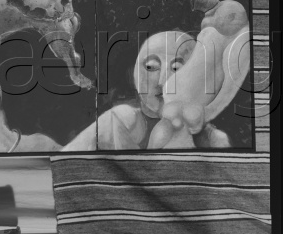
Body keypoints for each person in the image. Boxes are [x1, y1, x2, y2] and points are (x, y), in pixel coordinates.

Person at [63, 31, 230, 151]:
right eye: (151, 67)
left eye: (176, 68)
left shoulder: (211, 138)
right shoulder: (121, 119)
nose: (162, 82)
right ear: (135, 74)